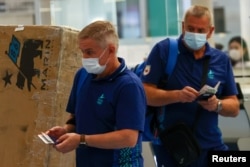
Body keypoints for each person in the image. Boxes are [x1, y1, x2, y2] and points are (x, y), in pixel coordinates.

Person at [141, 5, 240, 167]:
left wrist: (217, 104)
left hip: (211, 144)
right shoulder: (164, 51)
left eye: (201, 31)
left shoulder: (221, 60)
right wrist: (176, 95)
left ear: (210, 31)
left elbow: (234, 107)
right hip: (172, 146)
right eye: (190, 28)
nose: (195, 34)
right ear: (182, 26)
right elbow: (145, 94)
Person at [45, 20, 146, 167]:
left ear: (111, 50)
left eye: (90, 52)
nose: (85, 58)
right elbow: (75, 118)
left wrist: (81, 140)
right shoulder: (82, 76)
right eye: (83, 52)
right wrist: (65, 130)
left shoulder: (128, 86)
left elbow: (128, 138)